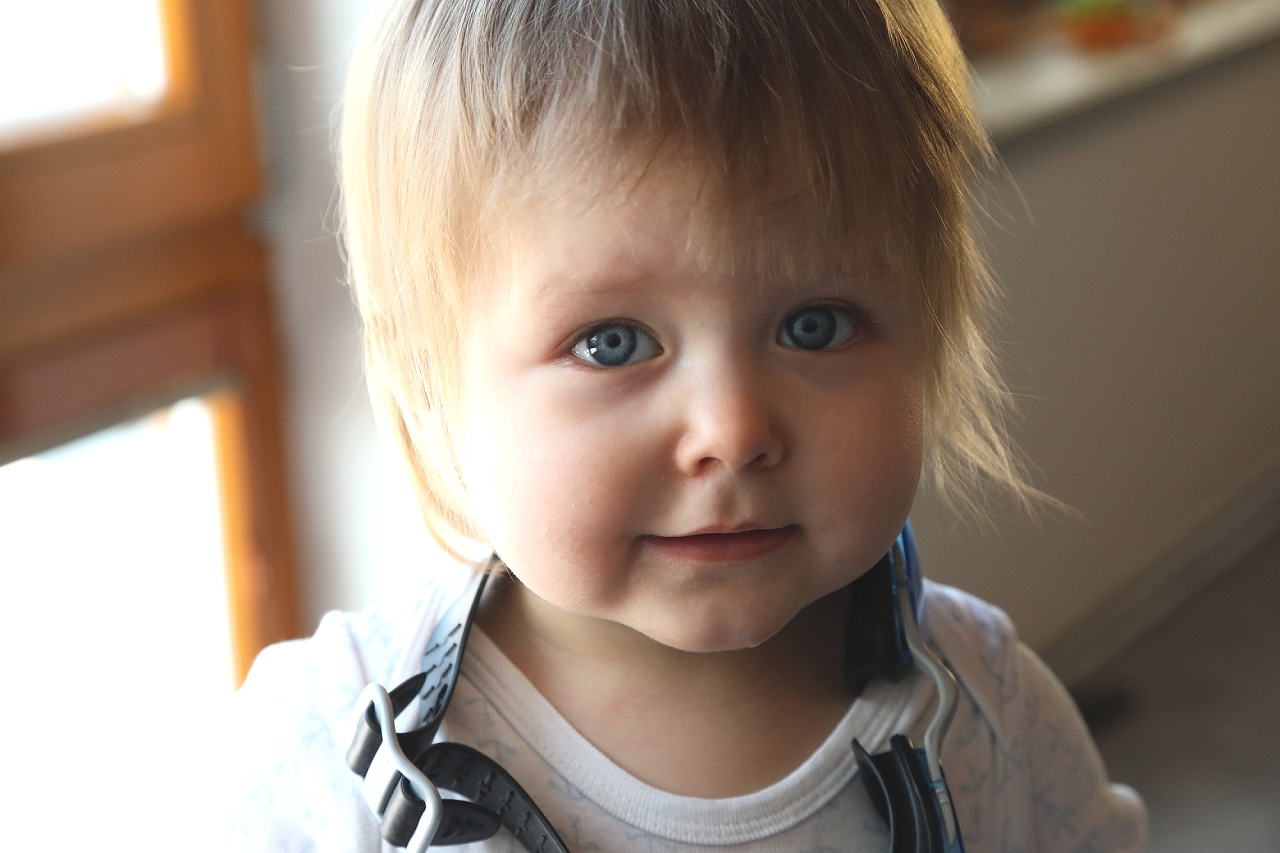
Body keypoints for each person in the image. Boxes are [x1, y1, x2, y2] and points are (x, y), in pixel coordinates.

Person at [226, 0, 1147, 850]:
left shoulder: (992, 713)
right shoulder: (319, 757)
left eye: (814, 325)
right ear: (429, 381)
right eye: (613, 343)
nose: (732, 431)